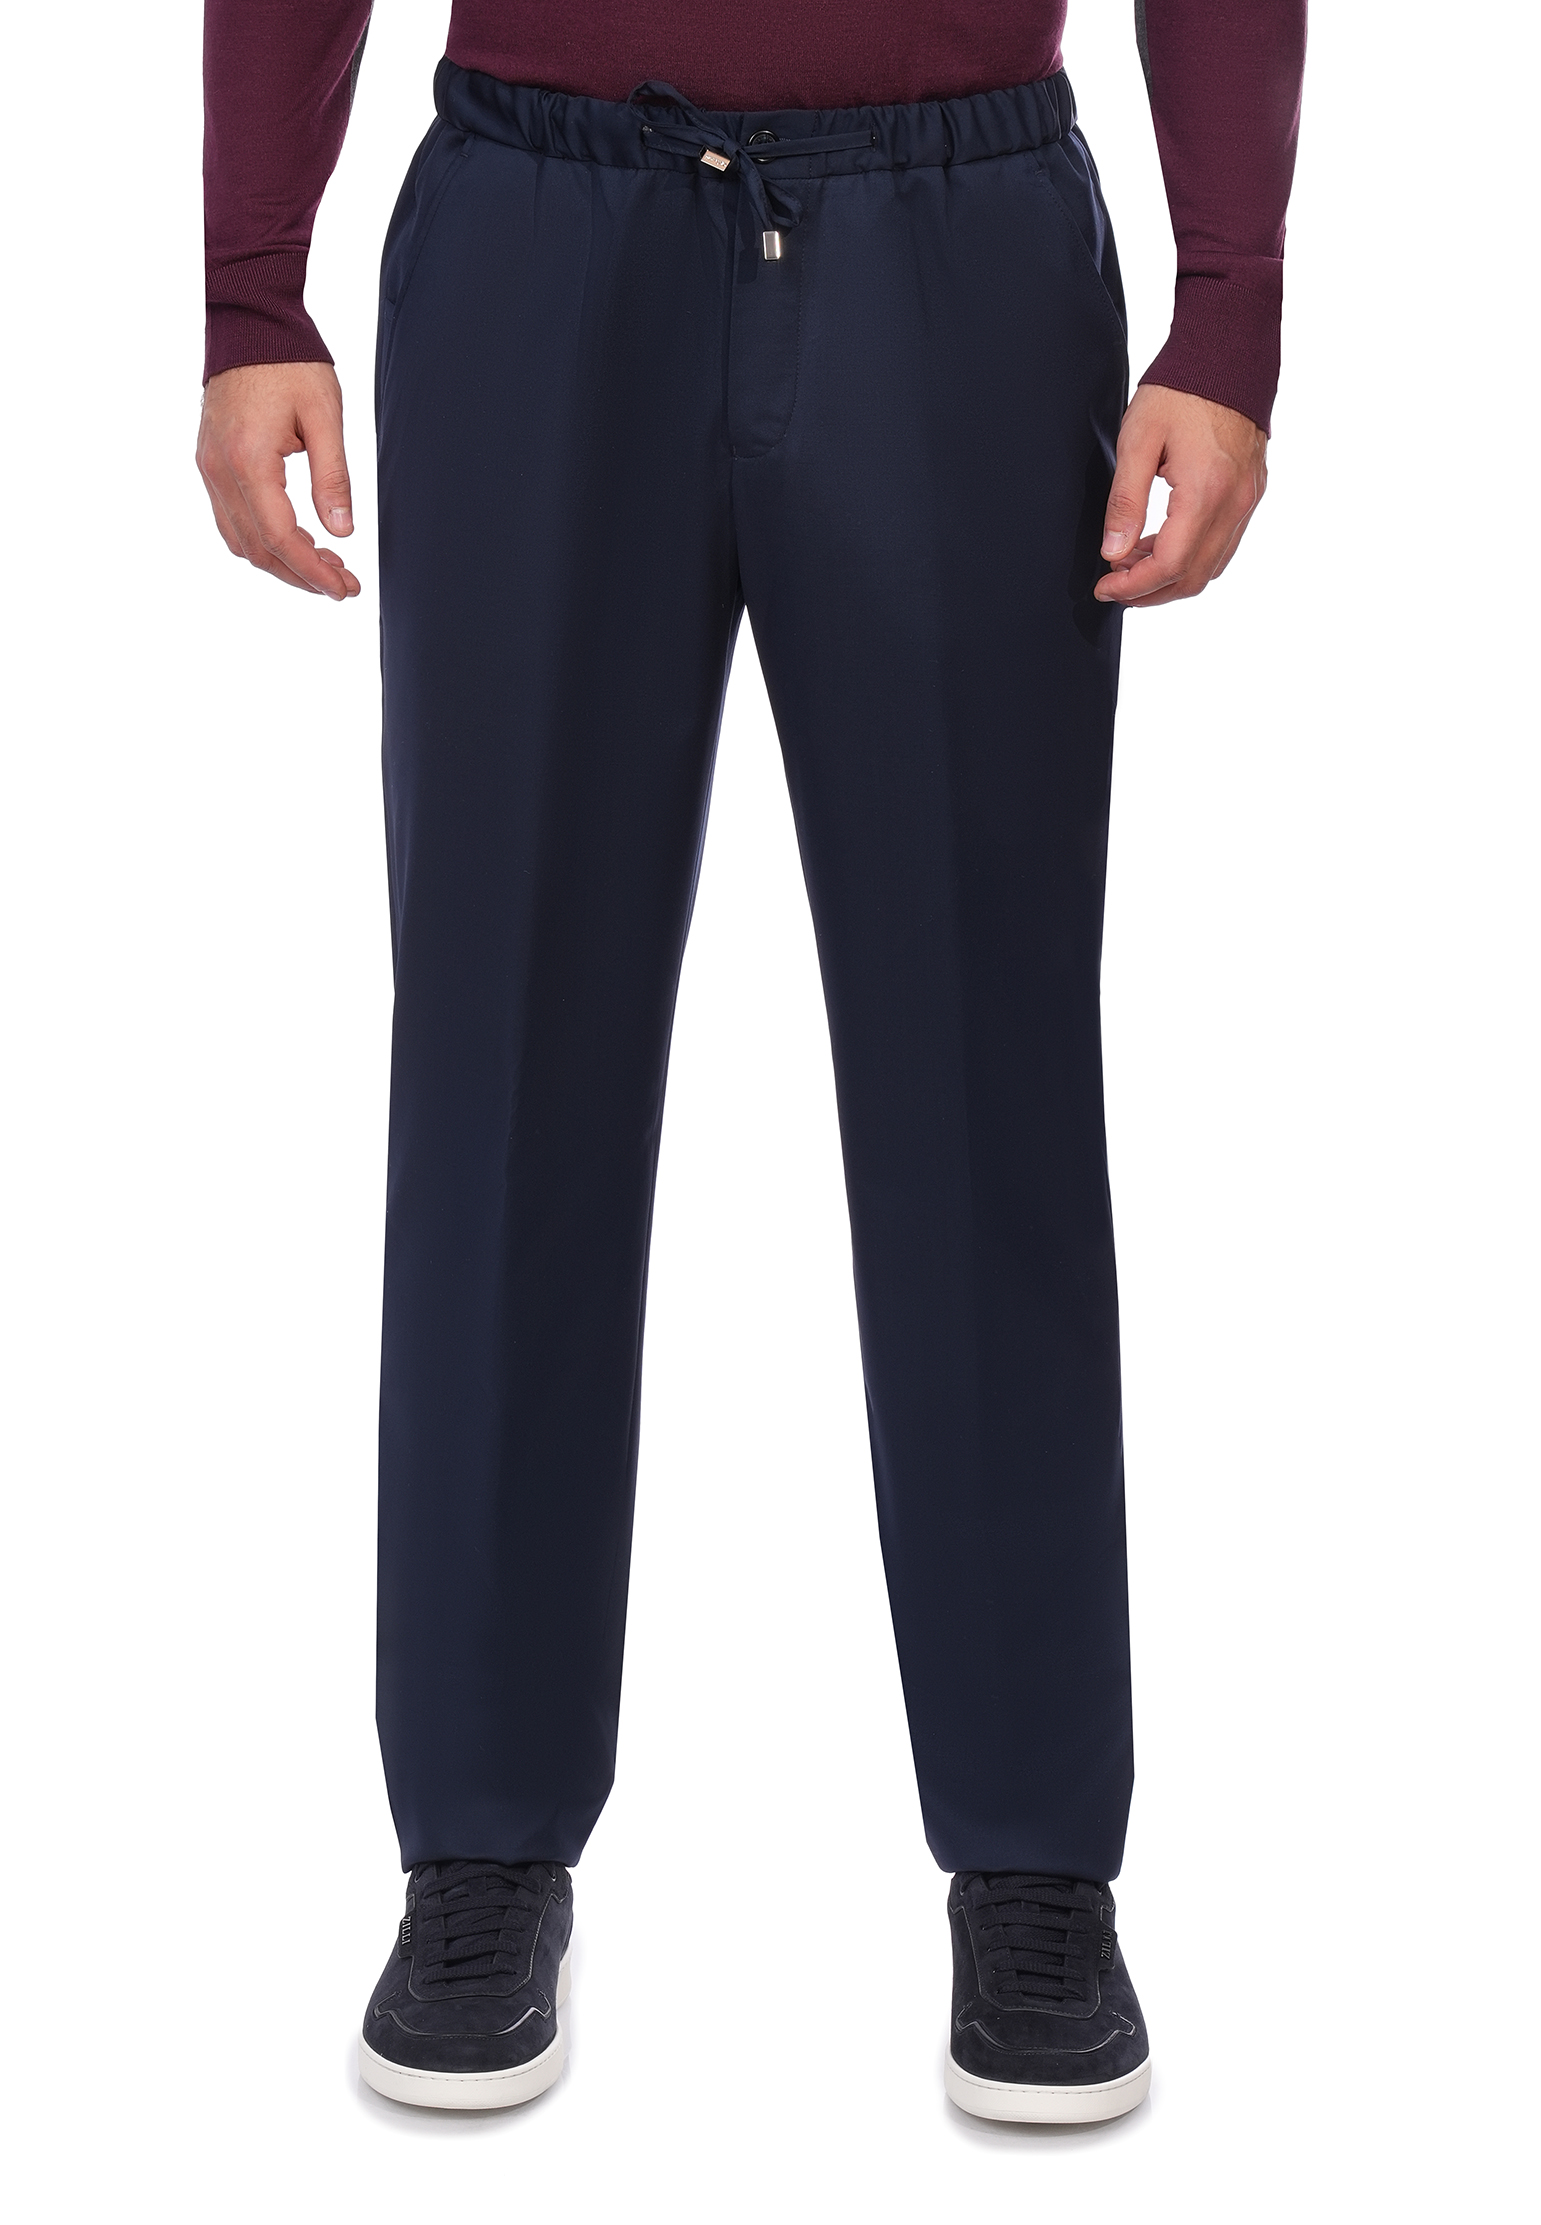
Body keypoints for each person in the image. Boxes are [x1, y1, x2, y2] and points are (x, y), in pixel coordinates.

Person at [197, 0, 1304, 2123]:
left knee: (981, 1076)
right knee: (504, 1066)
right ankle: (478, 1843)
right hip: (539, 223)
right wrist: (253, 284)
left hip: (960, 234)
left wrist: (1229, 306)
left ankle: (1034, 1859)